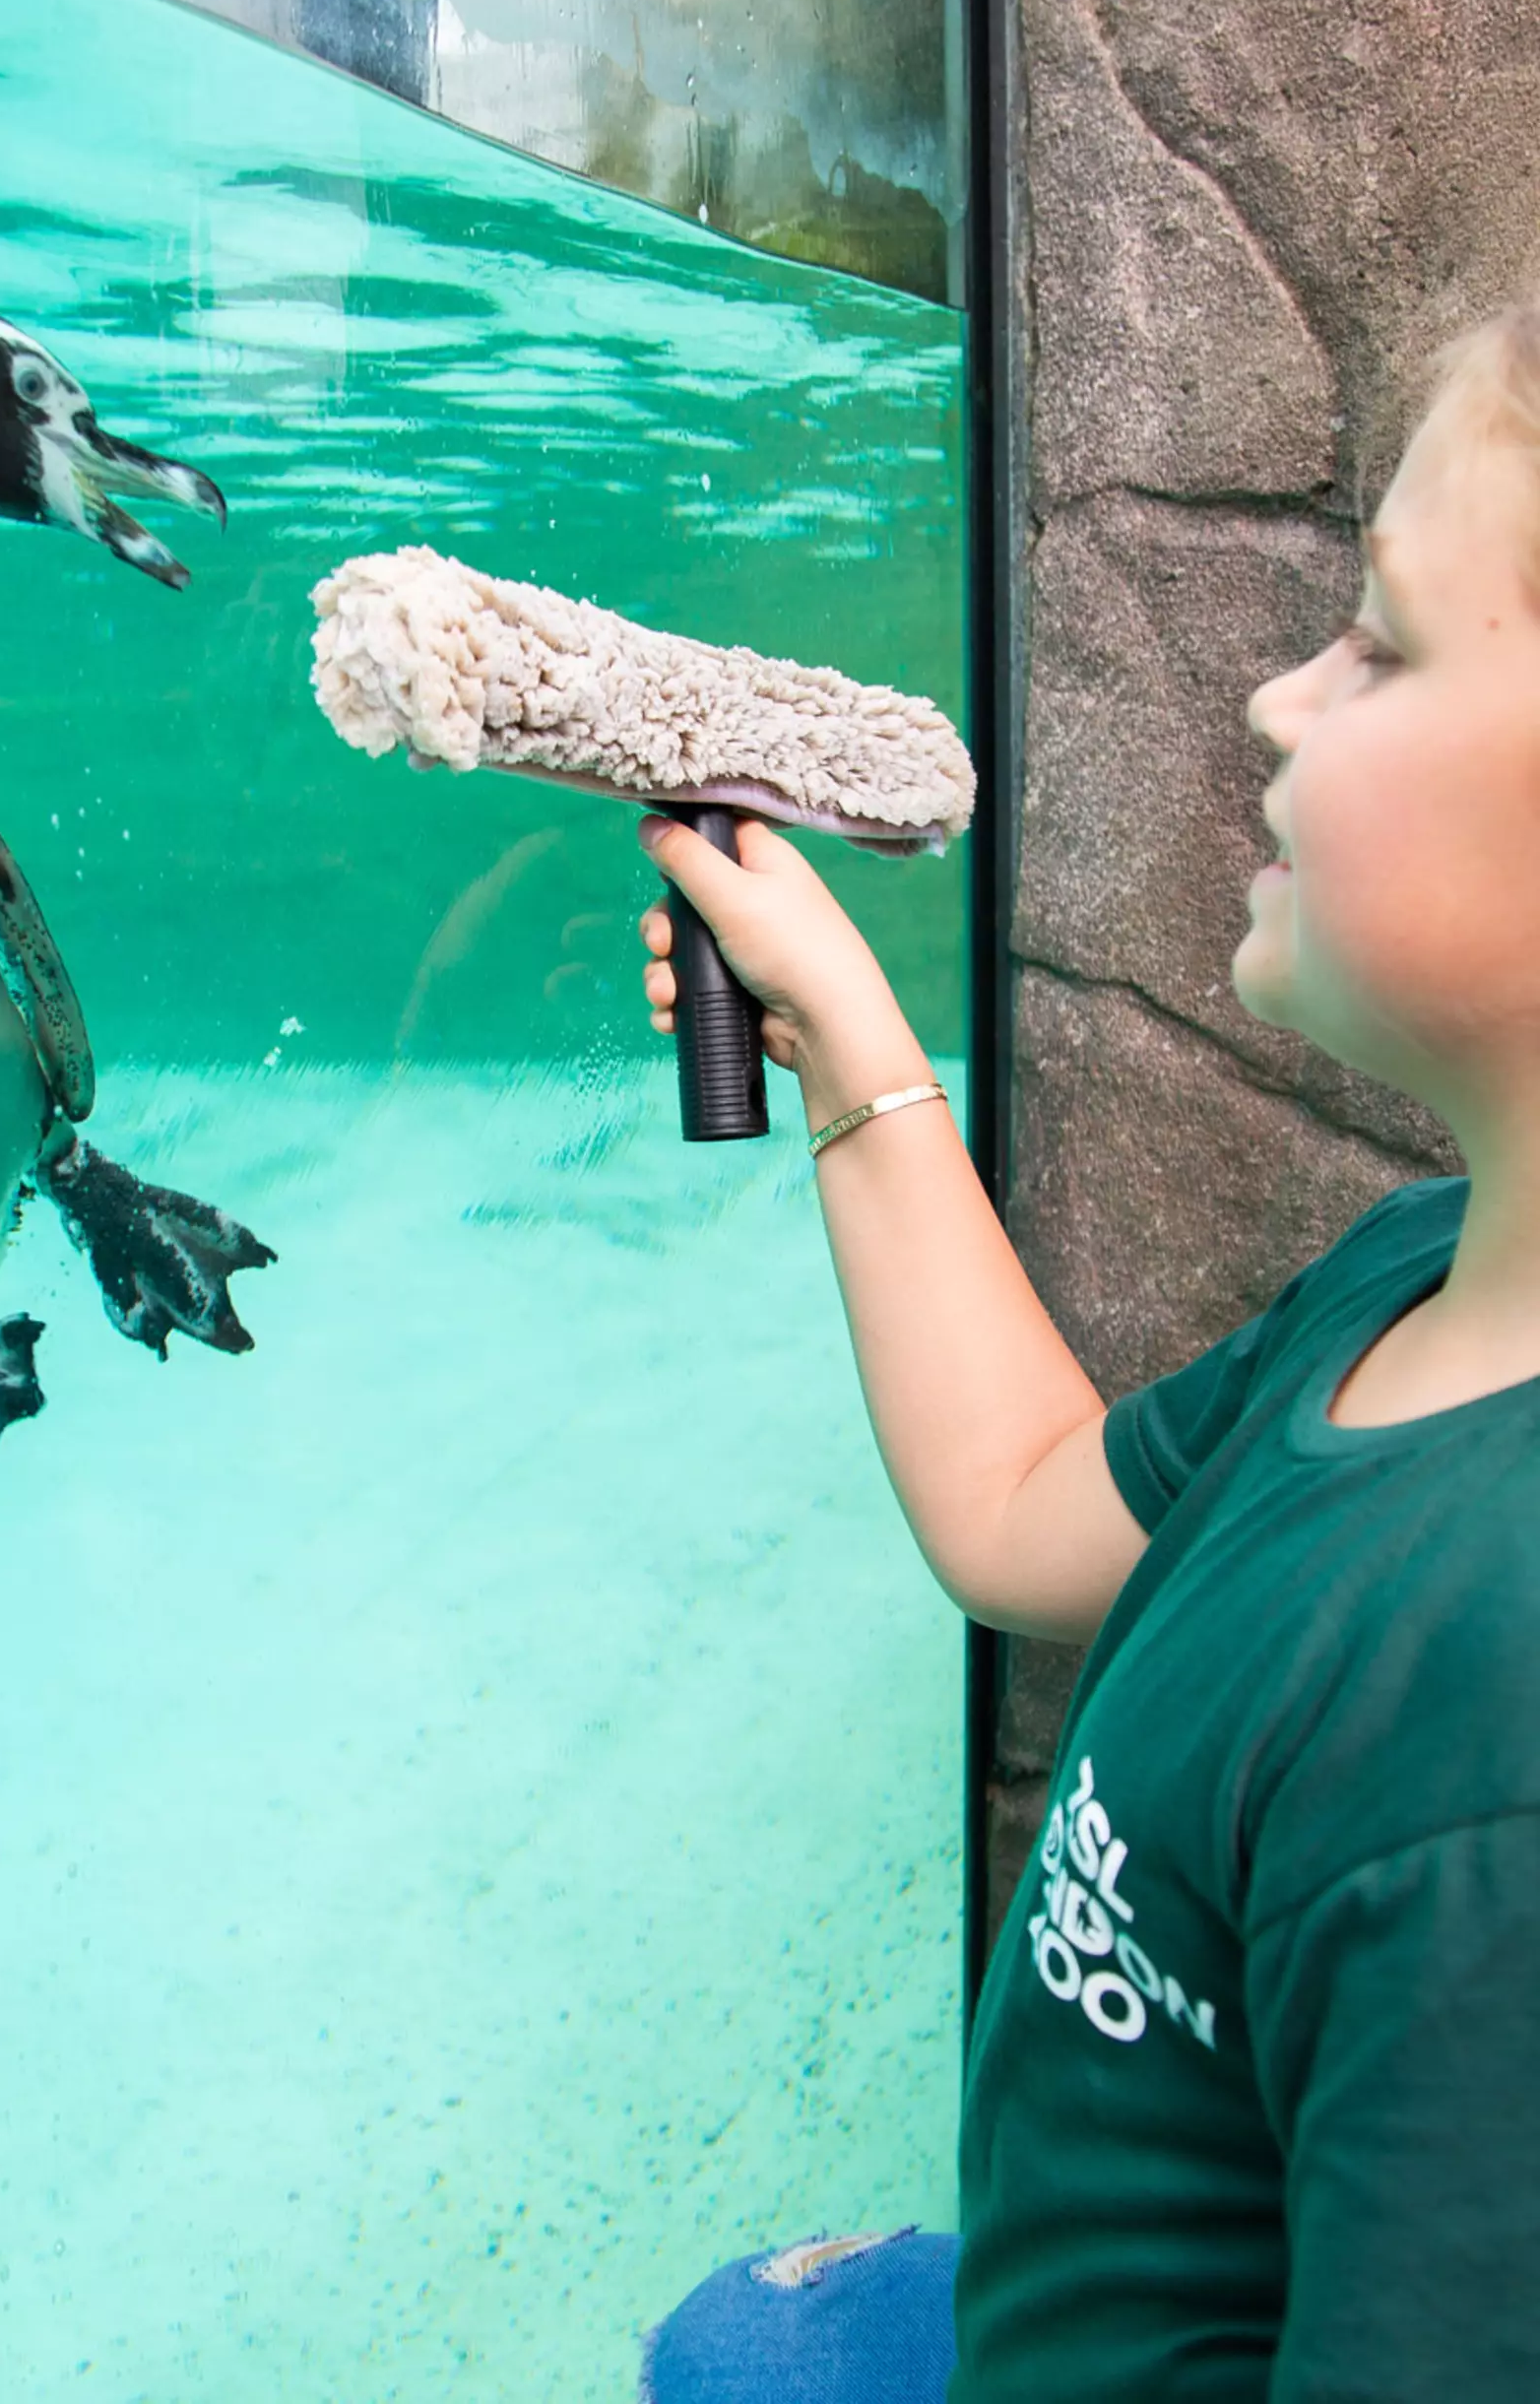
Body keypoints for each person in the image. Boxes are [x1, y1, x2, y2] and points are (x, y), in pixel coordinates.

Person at [632, 303, 1540, 2402]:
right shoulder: (1414, 1278)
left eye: (1384, 643)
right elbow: (1027, 1506)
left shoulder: (1496, 1745)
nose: (1275, 692)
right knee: (728, 2343)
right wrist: (849, 1046)